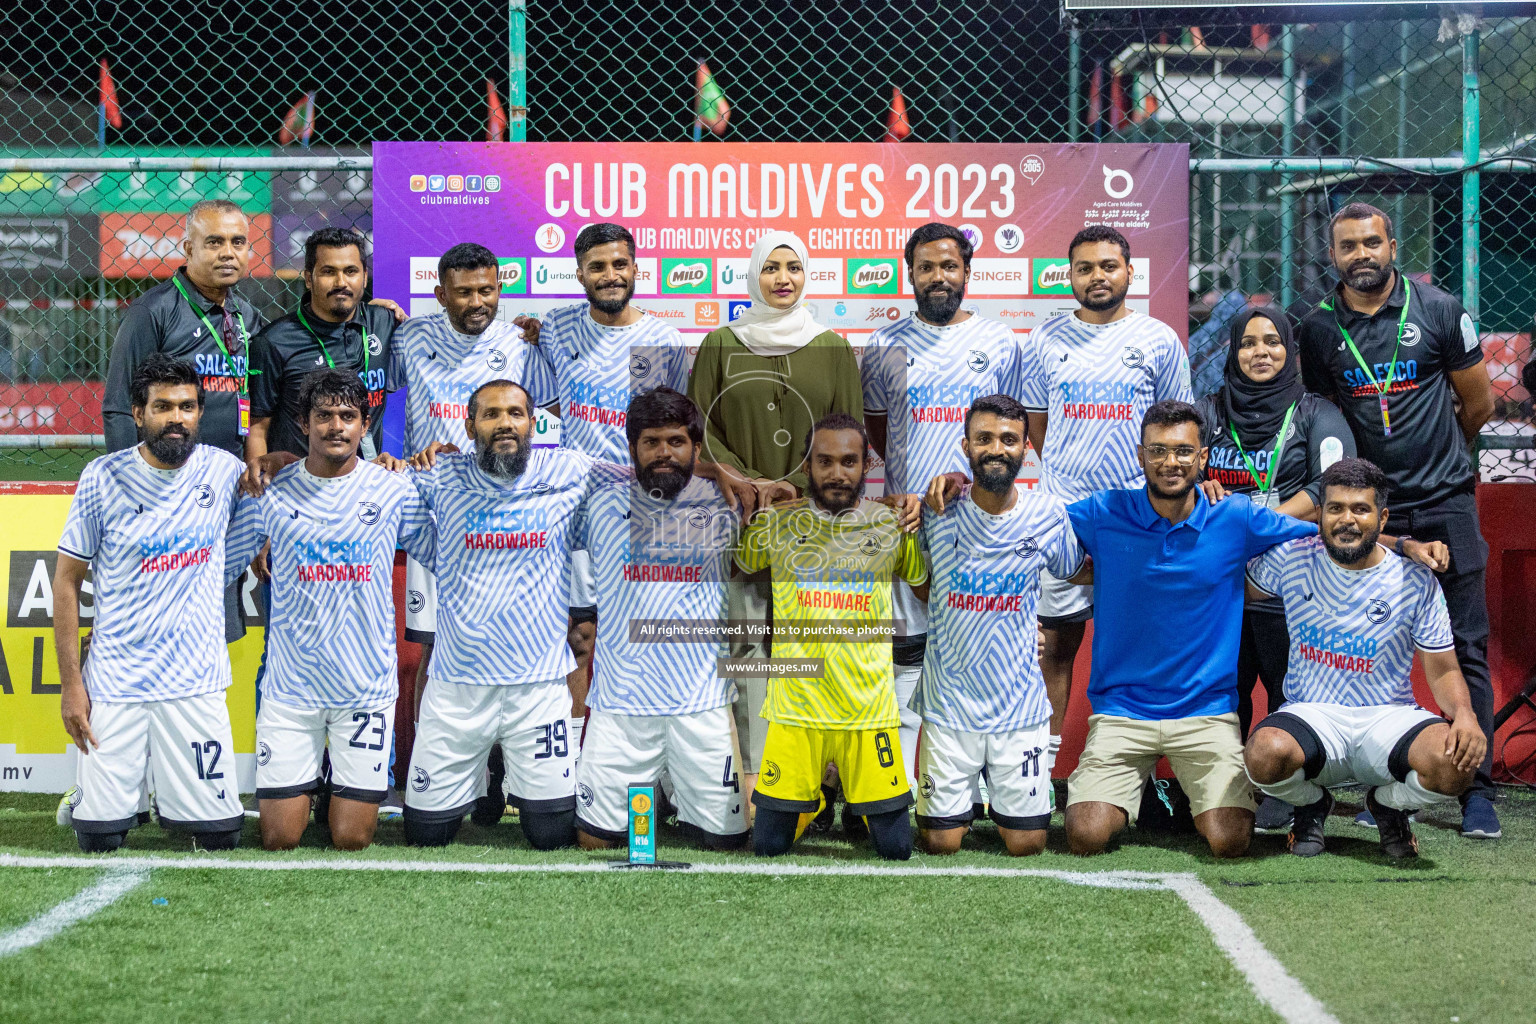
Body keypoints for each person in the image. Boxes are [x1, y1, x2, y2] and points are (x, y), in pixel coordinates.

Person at [1296, 202, 1501, 840]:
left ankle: (1477, 791)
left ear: (1392, 245)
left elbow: (1479, 405)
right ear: (1332, 256)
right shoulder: (1317, 329)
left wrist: (1437, 465)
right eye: (1347, 246)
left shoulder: (1439, 309)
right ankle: (1347, 786)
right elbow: (1319, 419)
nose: (1361, 254)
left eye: (1371, 243)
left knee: (1464, 646)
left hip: (1443, 502)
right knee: (1360, 643)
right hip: (1363, 512)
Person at [1059, 400, 1314, 858]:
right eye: (1157, 451)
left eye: (1182, 451)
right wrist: (962, 487)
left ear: (1202, 459)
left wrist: (1405, 544)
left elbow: (1322, 538)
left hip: (1205, 712)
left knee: (1230, 840)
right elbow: (1026, 523)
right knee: (1085, 835)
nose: (1169, 462)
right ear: (1140, 457)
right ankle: (1150, 794)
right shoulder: (1104, 512)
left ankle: (1176, 795)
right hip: (1122, 709)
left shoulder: (1234, 517)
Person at [401, 380, 624, 849]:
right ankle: (480, 779)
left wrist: (717, 473)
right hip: (458, 687)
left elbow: (641, 476)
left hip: (538, 688)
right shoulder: (441, 475)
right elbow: (368, 487)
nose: (506, 423)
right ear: (469, 425)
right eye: (491, 414)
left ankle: (508, 775)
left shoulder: (567, 469)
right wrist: (385, 462)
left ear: (532, 422)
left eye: (516, 414)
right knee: (425, 835)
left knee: (552, 835)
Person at [687, 231, 862, 810]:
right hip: (737, 520)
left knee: (812, 651)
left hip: (814, 523)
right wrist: (749, 482)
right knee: (748, 655)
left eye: (793, 267)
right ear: (752, 277)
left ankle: (821, 785)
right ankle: (763, 786)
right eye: (770, 268)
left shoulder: (832, 345)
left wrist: (802, 489)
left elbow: (848, 435)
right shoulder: (720, 342)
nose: (782, 278)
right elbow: (700, 431)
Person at [224, 369, 434, 851]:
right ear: (303, 424)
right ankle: (310, 780)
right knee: (278, 838)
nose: (336, 426)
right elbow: (218, 564)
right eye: (324, 416)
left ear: (364, 425)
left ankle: (330, 786)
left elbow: (445, 554)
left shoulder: (392, 488)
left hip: (364, 689)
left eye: (347, 416)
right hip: (291, 692)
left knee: (352, 838)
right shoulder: (271, 489)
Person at [1017, 225, 1192, 783]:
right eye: (1085, 267)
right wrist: (1071, 485)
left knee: (1138, 655)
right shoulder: (1043, 341)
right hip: (1064, 518)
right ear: (1070, 276)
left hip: (1140, 520)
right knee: (1055, 649)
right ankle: (1036, 777)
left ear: (1129, 274)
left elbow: (1175, 433)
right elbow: (1037, 428)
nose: (1098, 276)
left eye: (1108, 266)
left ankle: (1128, 778)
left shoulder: (1160, 340)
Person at [862, 222, 1032, 797]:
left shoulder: (1002, 342)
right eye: (927, 267)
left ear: (967, 272)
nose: (939, 277)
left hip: (982, 524)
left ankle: (986, 787)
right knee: (909, 651)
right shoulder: (884, 346)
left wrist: (968, 479)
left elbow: (1012, 430)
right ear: (908, 273)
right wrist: (909, 488)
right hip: (909, 522)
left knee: (975, 646)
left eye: (950, 266)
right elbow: (881, 433)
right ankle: (912, 782)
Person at [1244, 458, 1483, 859]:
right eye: (1335, 508)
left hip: (1388, 716)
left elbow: (1443, 671)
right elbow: (1231, 588)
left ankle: (1389, 805)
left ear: (1382, 516)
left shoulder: (1414, 579)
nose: (1347, 520)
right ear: (1320, 513)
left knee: (1455, 764)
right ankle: (1311, 804)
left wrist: (1464, 714)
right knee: (1263, 755)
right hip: (1313, 713)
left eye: (1361, 509)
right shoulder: (1292, 559)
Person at [54, 354, 246, 852]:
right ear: (139, 415)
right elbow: (67, 582)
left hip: (195, 679)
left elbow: (286, 493)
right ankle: (98, 797)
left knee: (220, 837)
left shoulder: (226, 472)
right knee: (99, 840)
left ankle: (168, 794)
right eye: (163, 407)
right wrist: (73, 686)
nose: (176, 419)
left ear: (200, 413)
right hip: (118, 680)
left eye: (186, 407)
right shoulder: (102, 477)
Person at [392, 242, 551, 823]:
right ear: (441, 294)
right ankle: (438, 776)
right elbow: (365, 390)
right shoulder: (407, 338)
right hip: (436, 517)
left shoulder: (524, 342)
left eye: (487, 289)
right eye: (464, 291)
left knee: (508, 642)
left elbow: (545, 419)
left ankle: (507, 772)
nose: (478, 301)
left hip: (505, 522)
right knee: (429, 653)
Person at [531, 223, 691, 769]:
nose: (609, 275)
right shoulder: (556, 329)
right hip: (579, 512)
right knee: (581, 634)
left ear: (635, 268)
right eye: (597, 267)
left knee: (645, 633)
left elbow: (676, 436)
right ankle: (575, 765)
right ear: (578, 274)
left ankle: (657, 771)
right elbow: (545, 410)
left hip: (645, 513)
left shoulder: (665, 342)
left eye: (618, 264)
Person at [737, 414, 928, 861]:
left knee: (896, 848)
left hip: (868, 711)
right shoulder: (775, 526)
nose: (837, 473)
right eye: (824, 461)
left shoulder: (891, 526)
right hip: (795, 710)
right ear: (807, 465)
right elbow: (740, 568)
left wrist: (918, 510)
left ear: (866, 466)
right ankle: (819, 798)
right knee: (767, 845)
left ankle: (857, 801)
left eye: (848, 461)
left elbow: (922, 586)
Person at [1195, 304, 1356, 829]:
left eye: (1272, 342)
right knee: (1225, 685)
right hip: (1218, 576)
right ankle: (1231, 784)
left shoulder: (1317, 414)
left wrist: (1258, 525)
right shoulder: (1210, 412)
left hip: (1292, 576)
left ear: (1290, 350)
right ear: (1232, 352)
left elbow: (1331, 486)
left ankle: (1290, 786)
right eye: (1247, 343)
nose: (1259, 352)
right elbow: (1174, 472)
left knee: (1287, 682)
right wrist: (1198, 487)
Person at [572, 388, 748, 851]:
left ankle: (680, 803)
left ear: (696, 448)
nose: (664, 453)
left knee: (725, 845)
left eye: (676, 441)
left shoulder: (727, 503)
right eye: (651, 442)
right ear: (633, 449)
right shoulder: (599, 503)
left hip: (700, 706)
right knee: (594, 842)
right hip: (622, 706)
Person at [915, 395, 1084, 856]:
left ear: (1026, 448)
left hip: (1018, 705)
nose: (996, 448)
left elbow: (1075, 570)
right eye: (984, 438)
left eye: (1008, 440)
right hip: (950, 701)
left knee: (1027, 844)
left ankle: (1001, 801)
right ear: (965, 446)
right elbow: (918, 580)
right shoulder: (936, 508)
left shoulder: (1048, 514)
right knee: (939, 842)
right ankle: (960, 804)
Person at [100, 200, 263, 649]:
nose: (227, 252)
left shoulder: (246, 317)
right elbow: (118, 407)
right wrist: (131, 490)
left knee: (211, 625)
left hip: (222, 492)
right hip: (163, 491)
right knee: (154, 620)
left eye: (237, 242)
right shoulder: (153, 311)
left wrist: (371, 314)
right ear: (188, 248)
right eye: (214, 242)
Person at [245, 227, 401, 475]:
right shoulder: (274, 342)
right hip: (298, 487)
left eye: (351, 271)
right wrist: (260, 486)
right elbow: (257, 428)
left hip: (365, 483)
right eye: (329, 272)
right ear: (309, 278)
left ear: (365, 276)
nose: (341, 283)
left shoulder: (384, 322)